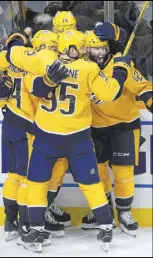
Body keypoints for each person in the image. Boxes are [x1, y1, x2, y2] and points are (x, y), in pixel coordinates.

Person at [5, 28, 131, 252]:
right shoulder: (88, 68)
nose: (85, 51)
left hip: (46, 137)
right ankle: (104, 223)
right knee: (90, 184)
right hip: (77, 139)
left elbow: (30, 82)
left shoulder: (43, 60)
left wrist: (16, 42)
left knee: (37, 183)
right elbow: (111, 93)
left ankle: (36, 228)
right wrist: (121, 68)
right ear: (72, 49)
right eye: (81, 47)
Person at [0, 29, 69, 243]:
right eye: (52, 47)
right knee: (29, 178)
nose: (54, 51)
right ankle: (26, 224)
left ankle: (10, 222)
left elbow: (1, 63)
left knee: (15, 176)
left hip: (10, 122)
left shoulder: (17, 57)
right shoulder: (36, 63)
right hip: (27, 125)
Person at [81, 25, 153, 236]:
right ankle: (103, 211)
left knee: (123, 173)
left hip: (124, 125)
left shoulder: (121, 65)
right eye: (95, 49)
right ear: (87, 50)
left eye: (103, 47)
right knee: (99, 174)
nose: (101, 52)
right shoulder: (84, 68)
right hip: (95, 128)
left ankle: (124, 212)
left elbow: (144, 87)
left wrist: (149, 99)